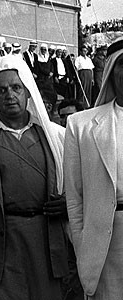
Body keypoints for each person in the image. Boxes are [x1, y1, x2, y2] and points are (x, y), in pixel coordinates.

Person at [0, 55, 68, 300]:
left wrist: (68, 202)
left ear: (28, 91)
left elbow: (77, 185)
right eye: (1, 90)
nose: (9, 94)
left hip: (45, 237)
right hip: (3, 241)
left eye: (16, 87)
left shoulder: (56, 136)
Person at [64, 37, 123, 300]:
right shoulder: (82, 125)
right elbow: (75, 200)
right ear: (111, 70)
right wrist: (82, 247)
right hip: (104, 242)